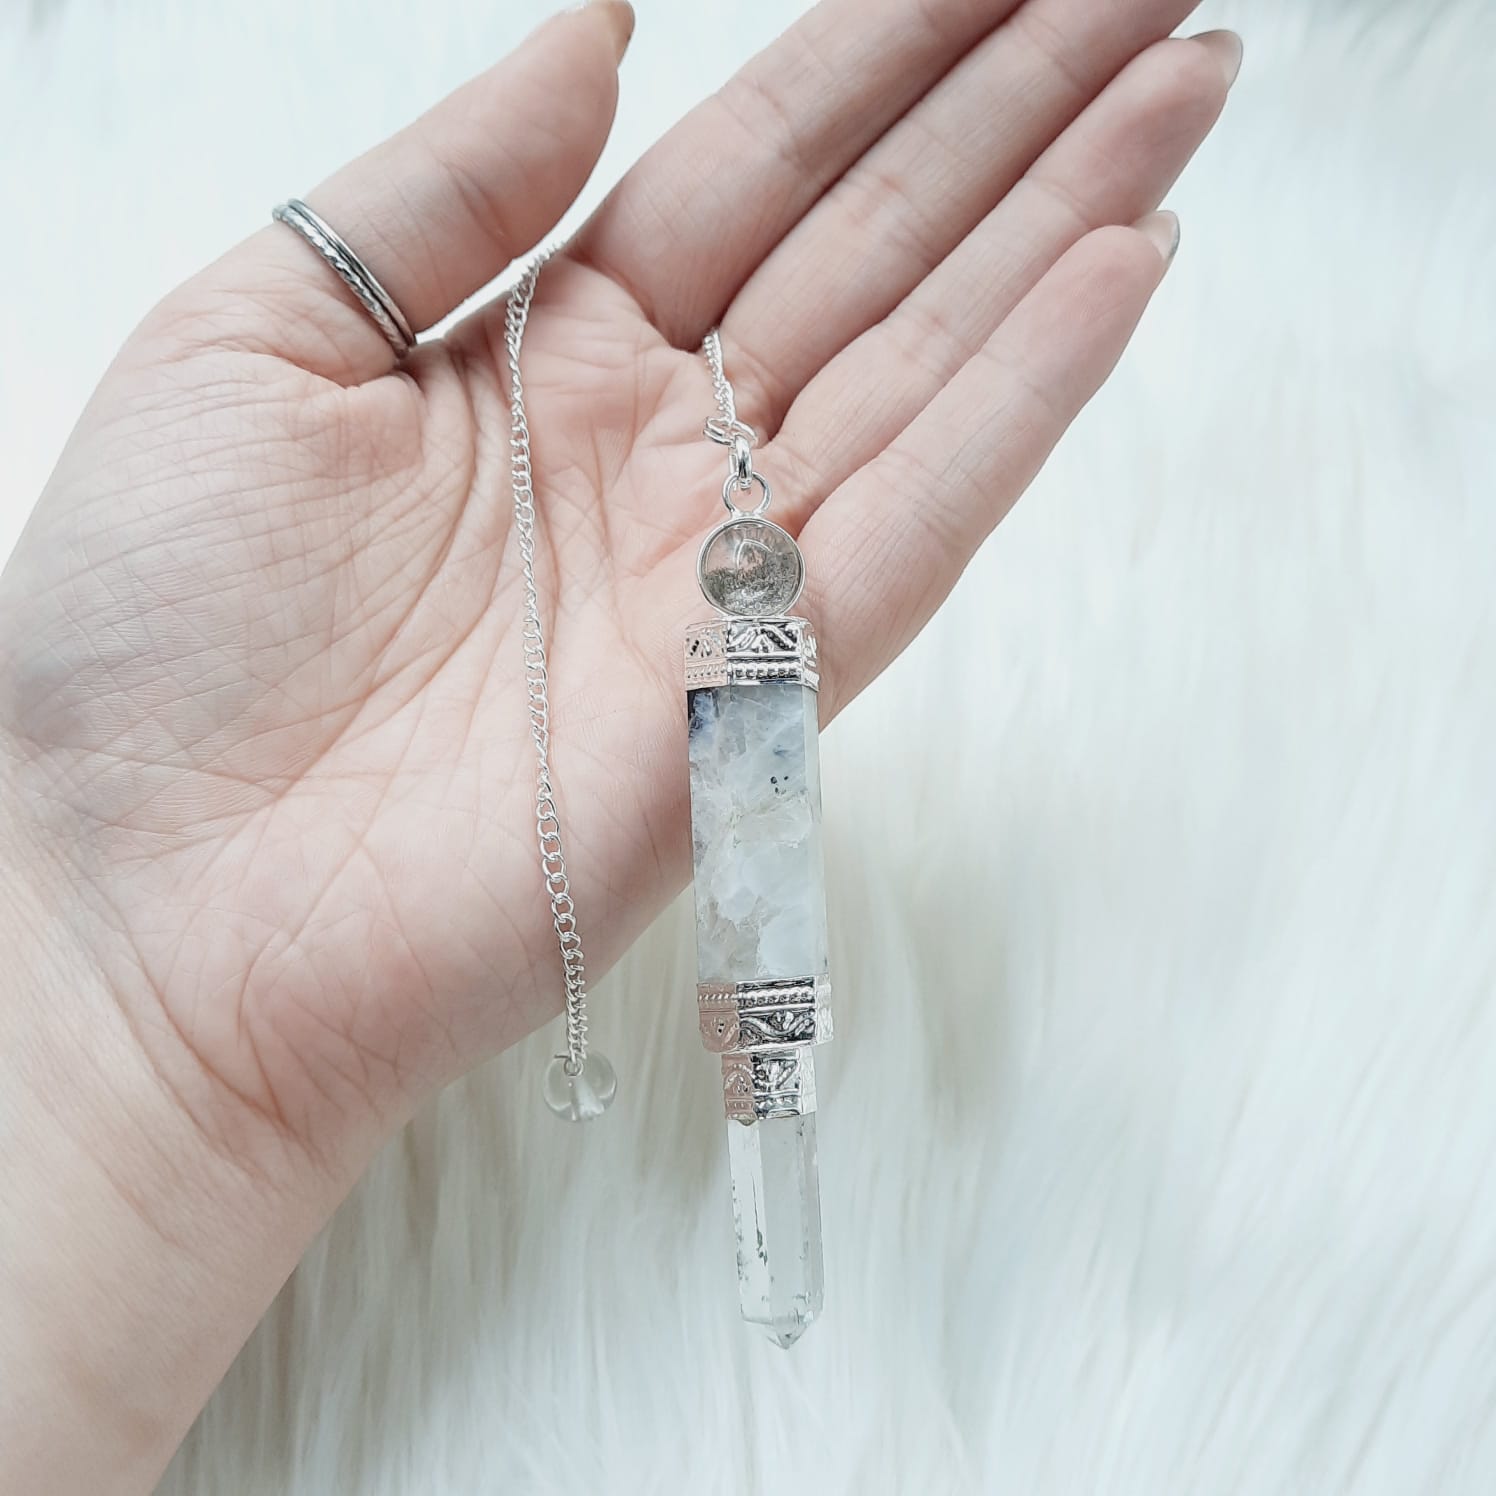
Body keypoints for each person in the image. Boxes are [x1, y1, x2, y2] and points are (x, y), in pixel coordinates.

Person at [0, 0, 1239, 1486]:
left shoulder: (747, 654)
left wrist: (121, 1036)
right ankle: (779, 1273)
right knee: (763, 1067)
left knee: (774, 1055)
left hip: (762, 963)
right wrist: (80, 937)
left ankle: (784, 1265)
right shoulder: (721, 645)